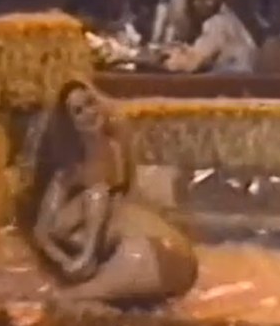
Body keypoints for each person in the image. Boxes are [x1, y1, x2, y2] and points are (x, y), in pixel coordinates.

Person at [31, 78, 198, 306]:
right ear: (71, 125)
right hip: (147, 257)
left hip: (154, 253)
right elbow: (42, 232)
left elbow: (126, 192)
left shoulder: (118, 152)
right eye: (78, 111)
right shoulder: (70, 178)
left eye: (90, 103)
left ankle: (89, 271)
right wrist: (64, 260)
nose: (89, 113)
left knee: (72, 296)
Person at [163, 0, 258, 73]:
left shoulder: (217, 24)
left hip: (230, 81)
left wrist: (164, 59)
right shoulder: (230, 20)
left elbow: (192, 63)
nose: (195, 4)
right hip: (240, 79)